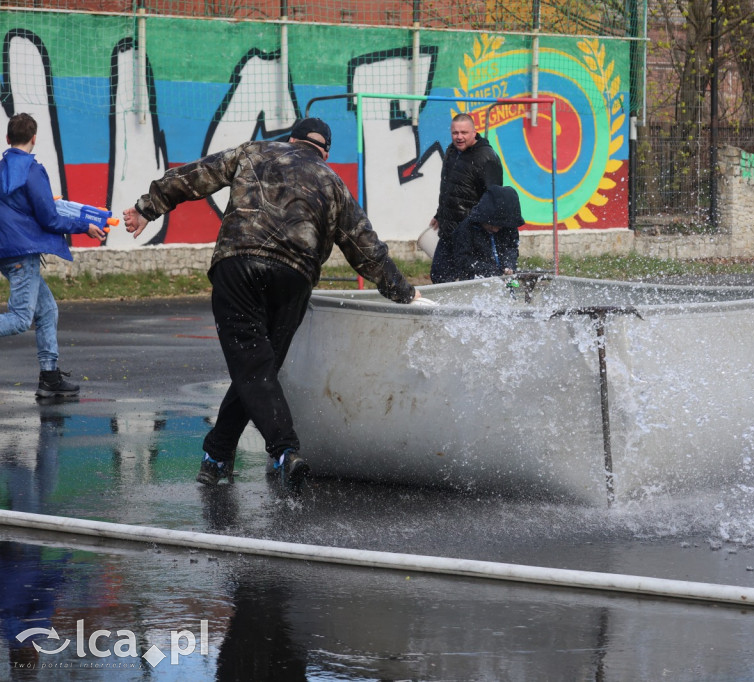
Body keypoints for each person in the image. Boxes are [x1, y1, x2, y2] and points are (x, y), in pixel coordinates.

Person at [122, 117, 420, 489]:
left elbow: (196, 175)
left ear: (291, 138)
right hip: (293, 278)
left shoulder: (254, 151)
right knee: (258, 369)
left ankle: (284, 450)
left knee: (253, 368)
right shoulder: (333, 182)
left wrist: (147, 207)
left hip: (239, 264)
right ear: (324, 151)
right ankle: (216, 456)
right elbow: (366, 248)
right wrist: (404, 292)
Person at [0, 113, 107, 399]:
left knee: (47, 311)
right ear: (34, 138)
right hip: (23, 253)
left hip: (7, 252)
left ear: (8, 139)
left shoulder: (2, 169)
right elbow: (49, 220)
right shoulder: (33, 171)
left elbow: (18, 208)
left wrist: (46, 201)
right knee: (22, 318)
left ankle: (49, 377)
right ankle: (49, 377)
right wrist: (86, 226)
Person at [429, 113, 503, 284]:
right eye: (455, 133)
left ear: (474, 132)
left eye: (464, 132)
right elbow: (449, 187)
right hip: (449, 229)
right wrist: (440, 214)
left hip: (473, 235)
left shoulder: (487, 157)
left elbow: (494, 197)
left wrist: (485, 225)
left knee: (474, 280)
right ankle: (448, 311)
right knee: (439, 276)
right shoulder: (451, 151)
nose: (459, 137)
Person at [451, 185, 522, 280]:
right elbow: (463, 260)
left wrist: (509, 265)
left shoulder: (509, 226)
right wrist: (492, 271)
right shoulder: (466, 228)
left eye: (500, 226)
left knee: (509, 291)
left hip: (506, 280)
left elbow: (512, 248)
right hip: (474, 283)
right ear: (484, 218)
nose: (496, 230)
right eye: (492, 225)